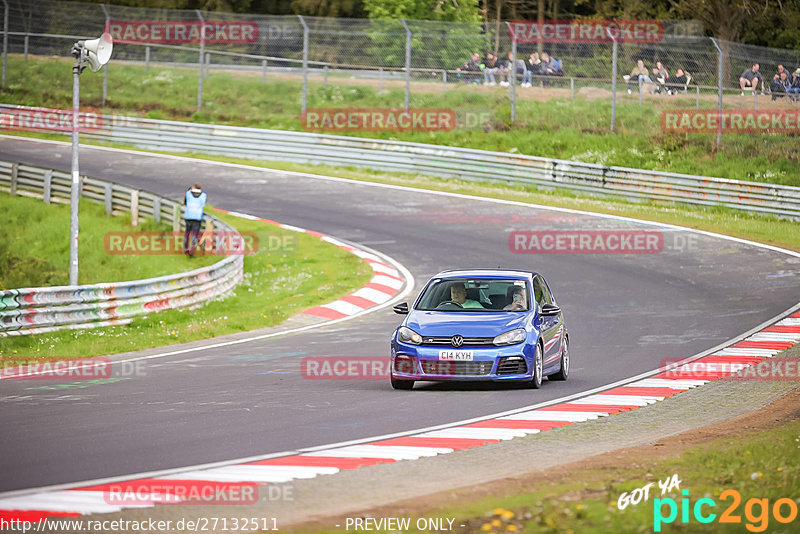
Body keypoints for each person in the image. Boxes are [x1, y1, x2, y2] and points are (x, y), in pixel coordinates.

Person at [184, 182, 207, 257]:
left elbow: (185, 202)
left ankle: (185, 248)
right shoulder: (203, 195)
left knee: (187, 233)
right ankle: (192, 249)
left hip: (188, 217)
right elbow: (203, 204)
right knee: (195, 235)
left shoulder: (188, 194)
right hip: (197, 217)